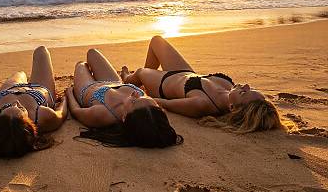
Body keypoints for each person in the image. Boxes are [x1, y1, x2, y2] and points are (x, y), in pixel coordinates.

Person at [121, 35, 291, 133]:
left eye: (245, 92)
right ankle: (136, 80)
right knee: (156, 41)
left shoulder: (201, 104)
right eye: (251, 88)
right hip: (184, 73)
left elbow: (163, 103)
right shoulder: (229, 89)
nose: (246, 85)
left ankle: (129, 80)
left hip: (163, 84)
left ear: (232, 108)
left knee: (141, 71)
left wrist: (143, 95)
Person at [66, 48, 182, 148]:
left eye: (133, 101)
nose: (136, 94)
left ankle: (85, 71)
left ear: (125, 117)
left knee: (81, 64)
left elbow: (76, 111)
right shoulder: (147, 110)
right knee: (92, 53)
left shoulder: (103, 114)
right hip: (114, 81)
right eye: (143, 96)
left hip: (88, 88)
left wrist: (70, 93)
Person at [0, 46, 67, 159]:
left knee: (20, 73)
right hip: (38, 89)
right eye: (21, 109)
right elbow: (61, 113)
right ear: (29, 125)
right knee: (41, 51)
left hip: (8, 89)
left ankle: (21, 80)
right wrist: (66, 98)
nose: (16, 102)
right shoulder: (43, 116)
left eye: (6, 107)